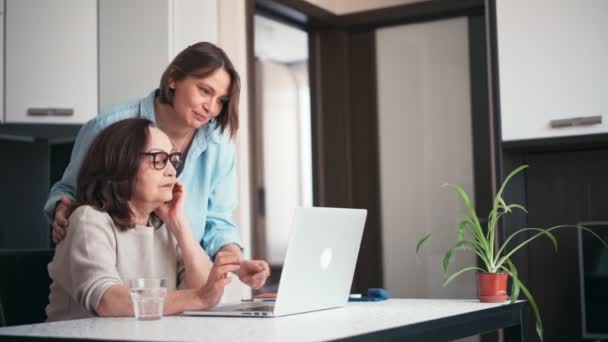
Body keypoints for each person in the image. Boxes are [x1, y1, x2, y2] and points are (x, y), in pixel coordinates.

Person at [44, 42, 267, 288]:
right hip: (118, 277)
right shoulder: (109, 126)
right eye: (204, 91)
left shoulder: (219, 144)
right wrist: (62, 210)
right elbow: (70, 193)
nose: (211, 108)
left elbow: (219, 219)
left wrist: (233, 260)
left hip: (181, 279)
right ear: (173, 79)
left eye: (221, 100)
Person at [46, 118, 267, 321]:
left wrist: (180, 225)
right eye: (159, 160)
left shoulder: (163, 226)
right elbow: (107, 301)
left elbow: (207, 292)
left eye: (173, 159)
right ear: (122, 163)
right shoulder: (89, 220)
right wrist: (200, 297)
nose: (172, 171)